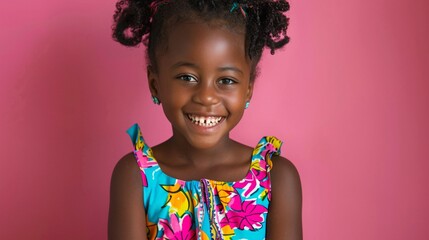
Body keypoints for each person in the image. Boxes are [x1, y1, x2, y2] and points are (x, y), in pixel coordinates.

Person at [108, 0, 302, 239]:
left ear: (248, 89)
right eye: (187, 77)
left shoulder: (276, 178)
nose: (207, 97)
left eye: (227, 80)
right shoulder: (135, 178)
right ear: (155, 84)